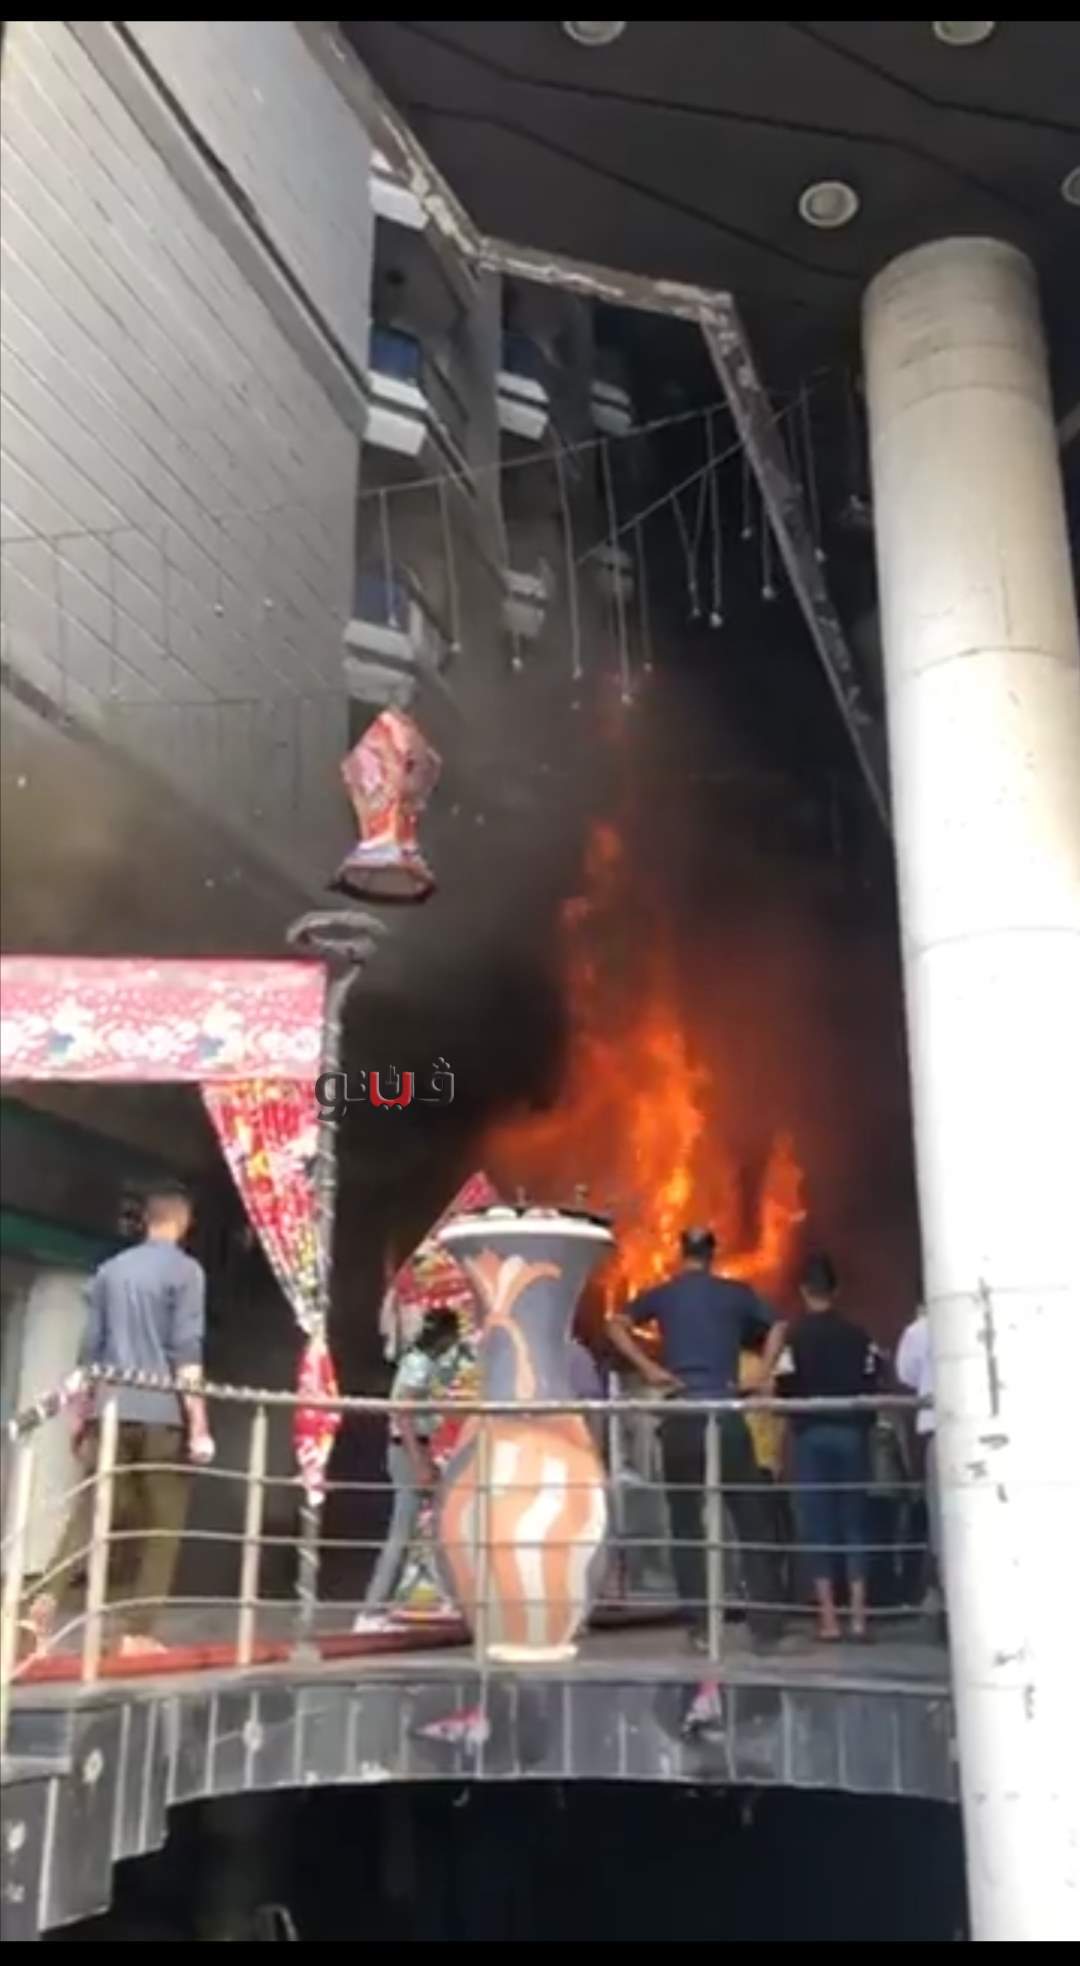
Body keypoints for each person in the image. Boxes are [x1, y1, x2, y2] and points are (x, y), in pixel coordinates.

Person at [29, 1183, 213, 1658]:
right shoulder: (186, 1272)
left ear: (146, 1221)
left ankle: (41, 1603)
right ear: (183, 1223)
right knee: (163, 1524)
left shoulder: (110, 1271)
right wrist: (199, 1425)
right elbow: (186, 1352)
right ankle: (136, 1631)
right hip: (161, 1415)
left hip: (110, 1410)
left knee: (92, 1512)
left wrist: (80, 1417)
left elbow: (90, 1351)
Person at [608, 1226, 783, 1648]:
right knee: (751, 1520)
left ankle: (701, 1627)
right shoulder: (735, 1293)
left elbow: (615, 1324)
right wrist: (762, 1373)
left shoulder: (665, 1294)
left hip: (682, 1414)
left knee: (687, 1524)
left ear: (681, 1253)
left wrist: (649, 1369)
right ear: (712, 1255)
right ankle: (765, 1627)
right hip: (725, 1413)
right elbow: (779, 1323)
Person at [774, 1253, 879, 1642]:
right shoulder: (858, 1335)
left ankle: (829, 1618)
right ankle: (859, 1616)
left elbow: (784, 1385)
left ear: (804, 1291)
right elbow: (873, 1379)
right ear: (837, 1290)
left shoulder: (795, 1336)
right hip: (852, 1433)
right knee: (855, 1523)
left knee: (817, 1525)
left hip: (811, 1434)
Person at [362, 1307, 468, 1612]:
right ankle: (373, 1607)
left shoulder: (428, 1365)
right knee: (403, 1531)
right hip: (407, 1450)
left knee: (442, 1523)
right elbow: (404, 1414)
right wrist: (419, 1462)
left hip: (419, 1448)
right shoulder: (417, 1364)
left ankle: (453, 1598)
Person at [896, 1304, 942, 1615]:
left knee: (939, 1519)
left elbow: (906, 1374)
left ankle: (941, 1596)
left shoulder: (919, 1330)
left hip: (937, 1428)